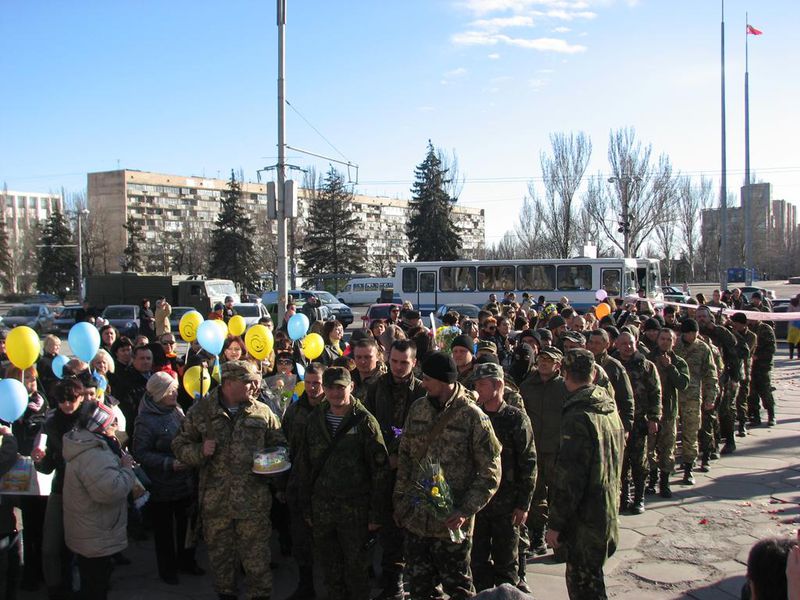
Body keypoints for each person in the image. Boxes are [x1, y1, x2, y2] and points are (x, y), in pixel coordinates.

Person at [172, 360, 287, 600]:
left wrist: (270, 465)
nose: (255, 386)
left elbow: (281, 447)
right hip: (217, 506)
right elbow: (179, 445)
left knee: (257, 565)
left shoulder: (262, 412)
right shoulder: (201, 412)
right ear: (228, 383)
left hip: (253, 504)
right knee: (222, 566)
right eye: (249, 382)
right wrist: (200, 451)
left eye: (257, 381)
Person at [393, 351, 501, 599]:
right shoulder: (418, 408)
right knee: (420, 590)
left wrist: (464, 511)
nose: (423, 383)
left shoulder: (473, 416)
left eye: (428, 378)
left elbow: (490, 472)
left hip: (451, 527)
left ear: (443, 380)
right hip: (417, 521)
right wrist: (400, 501)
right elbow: (407, 458)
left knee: (459, 590)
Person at [296, 366, 389, 600]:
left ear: (351, 387)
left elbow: (380, 471)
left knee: (357, 571)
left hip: (355, 510)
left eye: (341, 387)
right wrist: (307, 507)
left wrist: (376, 515)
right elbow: (304, 465)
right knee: (330, 569)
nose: (336, 393)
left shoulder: (365, 422)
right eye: (330, 388)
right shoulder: (314, 419)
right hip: (323, 508)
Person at [545, 349, 625, 600]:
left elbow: (570, 478)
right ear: (593, 372)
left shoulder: (578, 415)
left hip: (585, 520)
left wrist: (556, 524)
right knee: (593, 581)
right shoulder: (607, 407)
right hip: (607, 510)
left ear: (564, 373)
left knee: (583, 588)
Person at [364, 339, 426, 600]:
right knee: (389, 528)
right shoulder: (377, 388)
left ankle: (417, 581)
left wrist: (403, 456)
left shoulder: (423, 392)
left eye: (405, 362)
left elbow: (429, 432)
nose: (399, 367)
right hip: (384, 469)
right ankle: (393, 585)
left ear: (414, 363)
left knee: (414, 529)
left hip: (415, 471)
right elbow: (368, 424)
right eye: (395, 362)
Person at [471, 363, 536, 593]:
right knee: (477, 563)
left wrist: (523, 504)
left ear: (498, 385)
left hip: (507, 505)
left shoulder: (515, 418)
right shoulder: (474, 415)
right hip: (478, 503)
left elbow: (528, 462)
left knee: (506, 565)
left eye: (481, 384)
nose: (476, 389)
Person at [133, 372, 202, 585]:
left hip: (184, 481)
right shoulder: (145, 420)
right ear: (158, 393)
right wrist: (168, 463)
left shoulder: (176, 410)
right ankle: (167, 568)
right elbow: (140, 452)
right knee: (164, 531)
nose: (175, 393)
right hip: (162, 484)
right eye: (170, 390)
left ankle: (186, 560)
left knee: (186, 525)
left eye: (175, 389)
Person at [62, 401, 136, 600]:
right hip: (95, 531)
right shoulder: (94, 454)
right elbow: (110, 490)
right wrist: (127, 469)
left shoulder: (87, 444)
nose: (116, 428)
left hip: (89, 529)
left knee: (92, 580)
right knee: (96, 585)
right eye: (113, 424)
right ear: (102, 426)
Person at [32, 378, 85, 599]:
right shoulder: (51, 424)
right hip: (60, 489)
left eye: (71, 399)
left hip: (84, 491)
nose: (67, 404)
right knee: (50, 546)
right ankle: (54, 587)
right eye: (62, 400)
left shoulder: (89, 421)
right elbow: (48, 466)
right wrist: (40, 460)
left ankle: (79, 585)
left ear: (80, 398)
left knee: (81, 546)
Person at [282, 362, 326, 600]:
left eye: (316, 383)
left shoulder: (333, 409)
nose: (311, 388)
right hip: (299, 484)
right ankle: (305, 585)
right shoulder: (295, 410)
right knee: (300, 539)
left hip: (327, 486)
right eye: (308, 383)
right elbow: (285, 445)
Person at [520, 347, 567, 558]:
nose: (544, 364)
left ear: (558, 365)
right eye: (541, 360)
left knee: (558, 494)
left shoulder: (565, 387)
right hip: (534, 448)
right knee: (536, 494)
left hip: (557, 449)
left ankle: (559, 540)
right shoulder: (528, 385)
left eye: (549, 361)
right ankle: (537, 538)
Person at [615, 331, 662, 515]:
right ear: (617, 345)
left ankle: (639, 498)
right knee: (622, 462)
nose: (628, 347)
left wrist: (654, 418)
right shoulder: (614, 365)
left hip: (640, 421)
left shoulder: (646, 366)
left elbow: (656, 393)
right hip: (619, 421)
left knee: (639, 462)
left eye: (631, 343)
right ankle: (624, 497)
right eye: (624, 344)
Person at [674, 319, 718, 485]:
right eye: (688, 333)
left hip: (692, 397)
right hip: (673, 397)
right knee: (670, 435)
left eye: (694, 333)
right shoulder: (674, 345)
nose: (692, 336)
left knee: (690, 434)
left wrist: (710, 397)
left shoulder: (703, 348)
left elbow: (711, 375)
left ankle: (688, 469)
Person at [646, 328, 690, 498]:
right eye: (662, 339)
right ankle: (651, 480)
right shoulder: (648, 359)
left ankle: (664, 482)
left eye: (668, 339)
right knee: (649, 448)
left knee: (667, 448)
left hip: (669, 412)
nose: (665, 342)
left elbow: (683, 384)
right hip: (651, 412)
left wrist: (670, 367)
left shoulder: (678, 362)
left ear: (674, 342)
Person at [748, 315, 777, 427]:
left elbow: (771, 348)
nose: (751, 320)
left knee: (765, 391)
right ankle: (755, 416)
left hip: (763, 366)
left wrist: (758, 356)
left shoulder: (765, 329)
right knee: (752, 393)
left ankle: (771, 415)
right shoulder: (749, 328)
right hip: (751, 366)